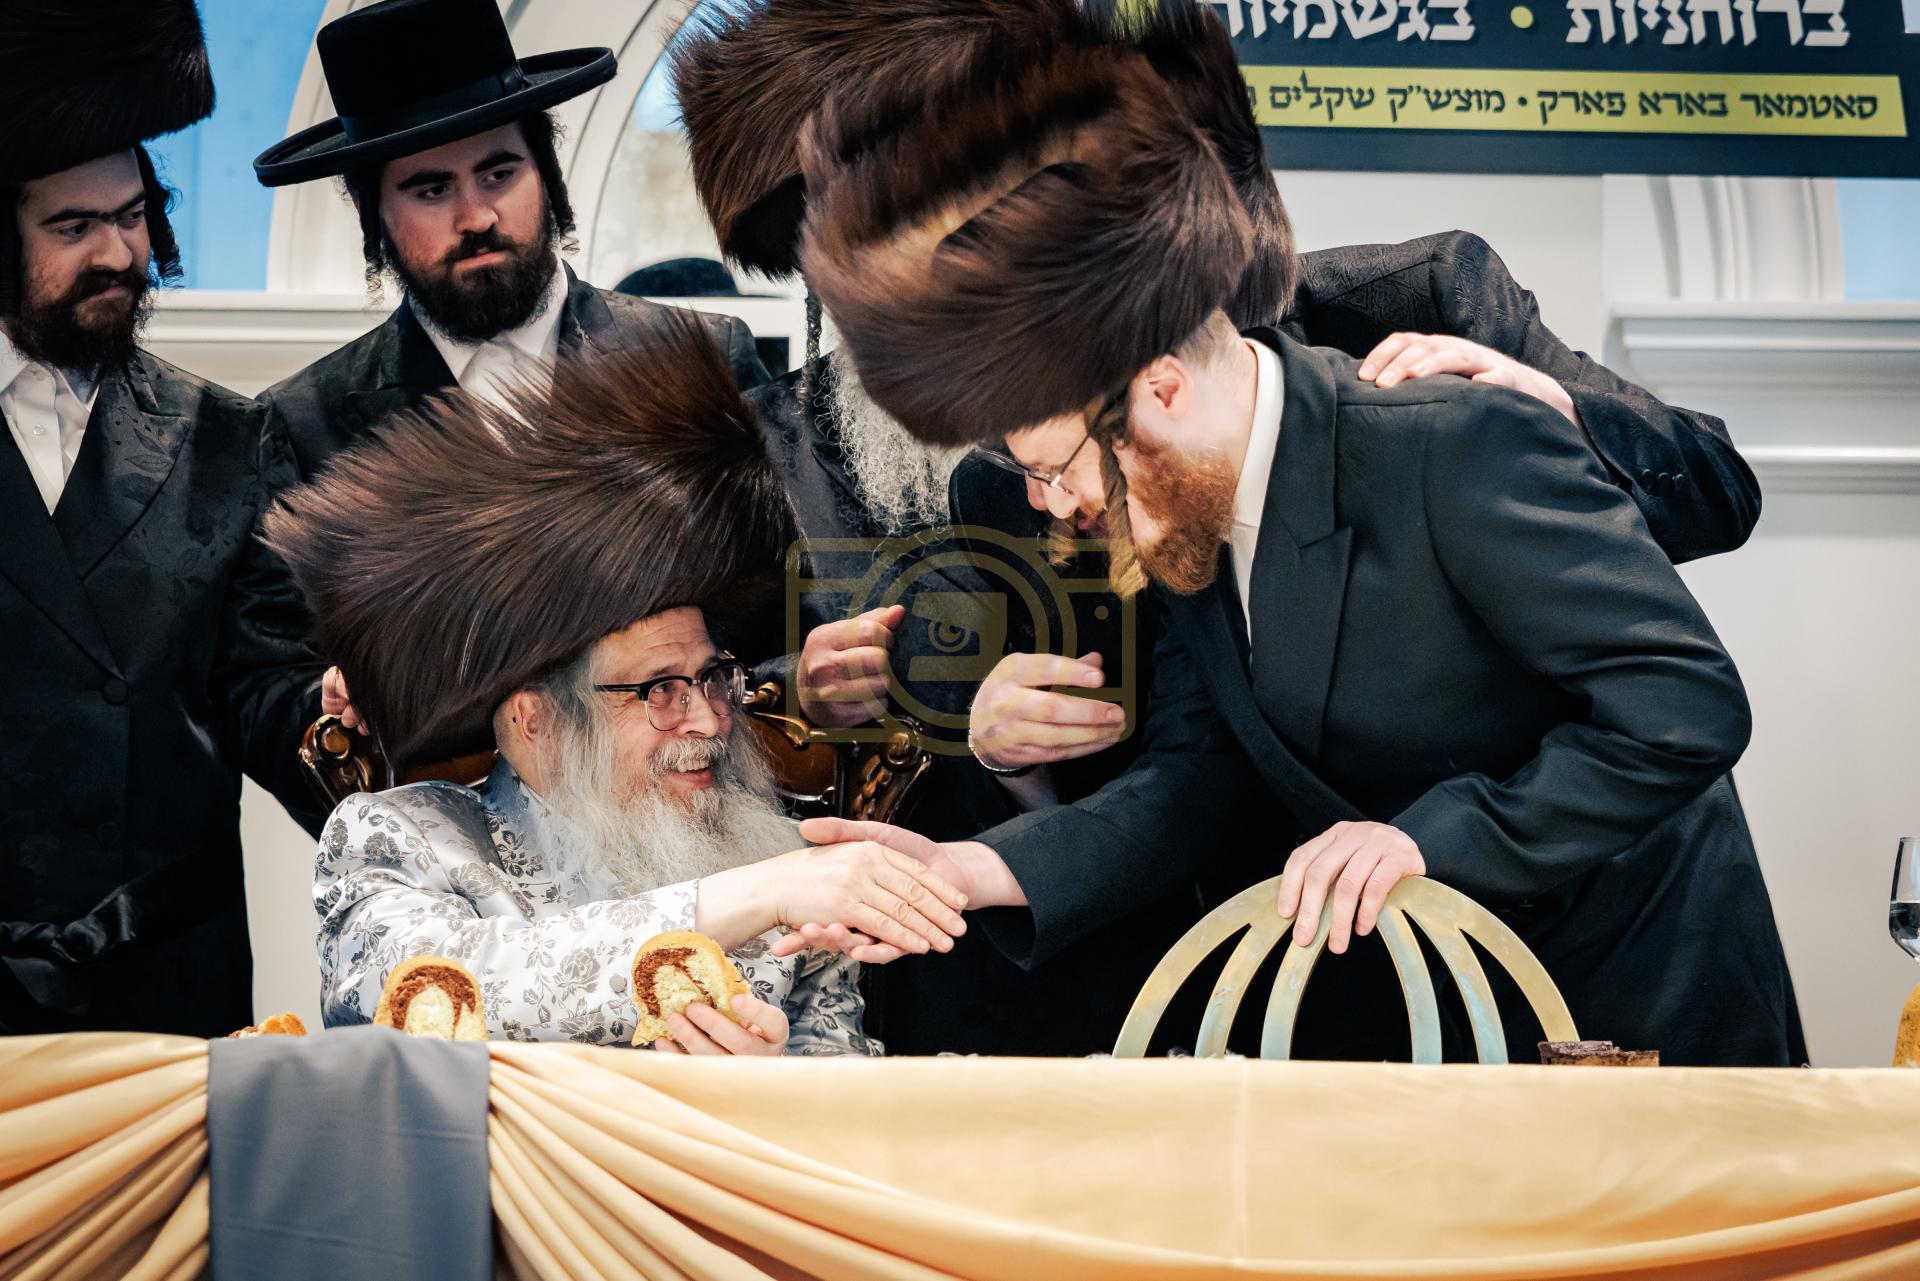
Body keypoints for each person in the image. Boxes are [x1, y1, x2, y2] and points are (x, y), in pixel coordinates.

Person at [670, 0, 1765, 1055]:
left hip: (1622, 961)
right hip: (1338, 975)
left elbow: (1688, 632)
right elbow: (1201, 767)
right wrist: (966, 845)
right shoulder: (1149, 500)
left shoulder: (1406, 363)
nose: (1054, 505)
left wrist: (1550, 413)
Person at [264, 315, 967, 1053]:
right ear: (534, 719)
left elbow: (841, 1079)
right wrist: (745, 897)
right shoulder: (400, 837)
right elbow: (417, 996)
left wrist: (769, 1081)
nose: (709, 720)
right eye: (658, 689)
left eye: (712, 677)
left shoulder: (781, 852)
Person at [0, 0, 328, 1035]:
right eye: (73, 228)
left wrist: (334, 716)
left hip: (169, 986)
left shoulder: (229, 437)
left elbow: (266, 693)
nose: (119, 252)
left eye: (134, 215)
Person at [252, 0, 768, 484]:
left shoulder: (700, 363)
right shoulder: (303, 424)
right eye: (432, 191)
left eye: (498, 175)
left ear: (546, 171)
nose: (477, 218)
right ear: (371, 212)